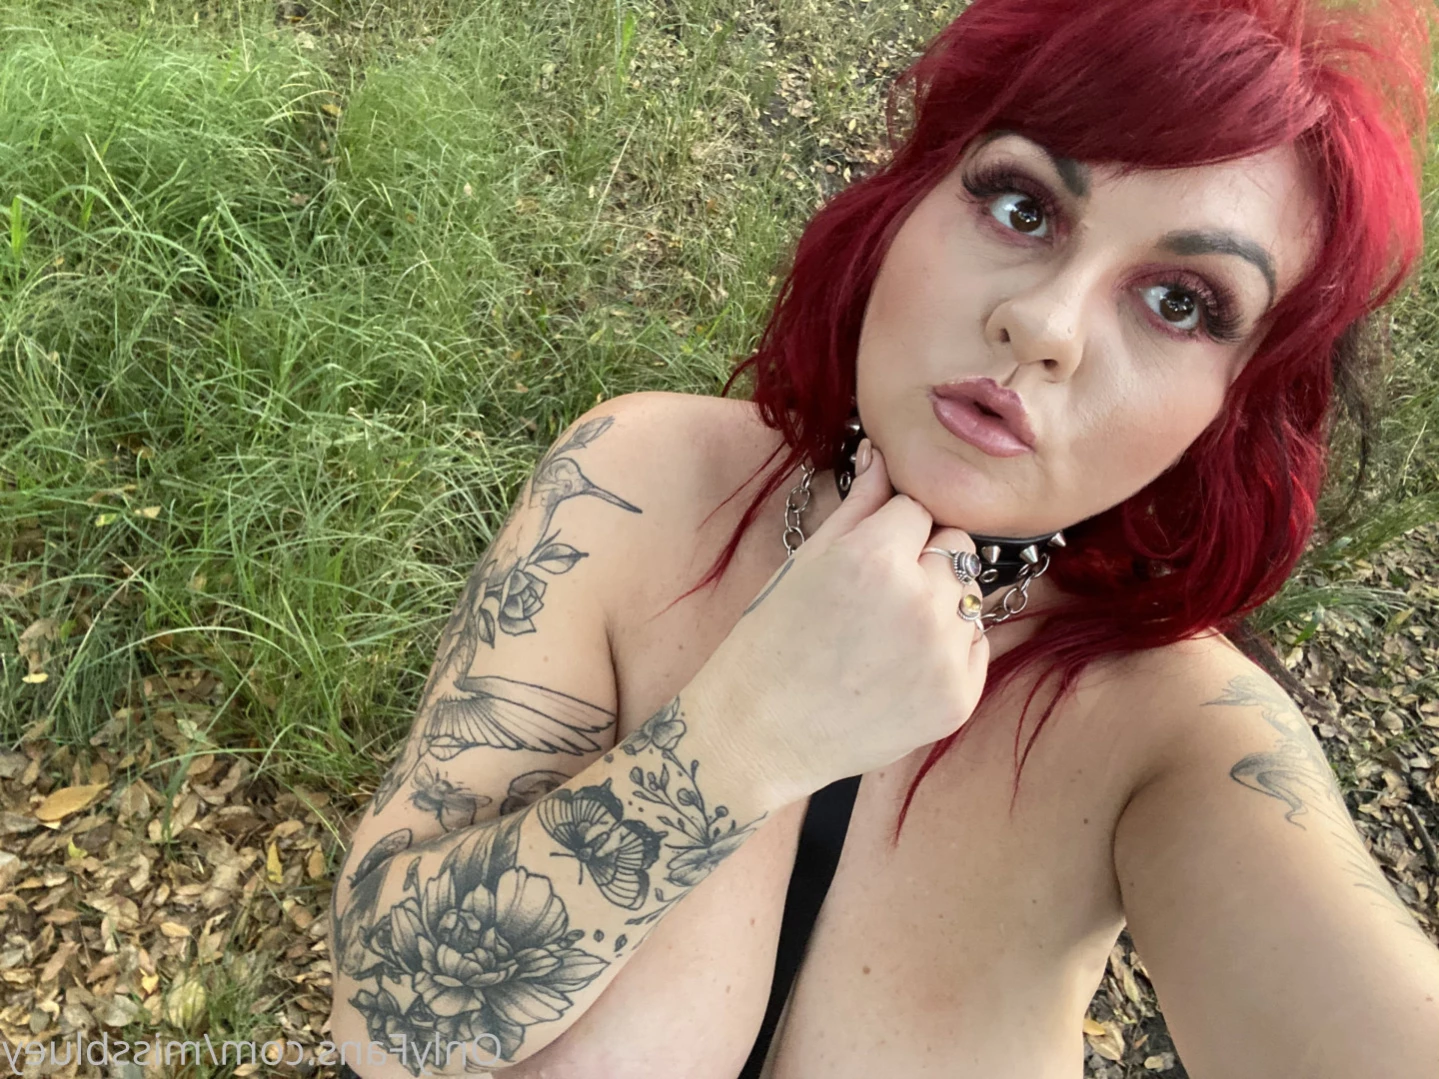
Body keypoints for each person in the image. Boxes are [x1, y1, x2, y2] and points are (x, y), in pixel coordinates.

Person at [323, 0, 1439, 1075]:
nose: (1043, 324)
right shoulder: (632, 481)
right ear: (907, 201)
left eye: (1179, 302)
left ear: (1231, 406)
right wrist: (738, 737)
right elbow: (384, 1022)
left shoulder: (1175, 735)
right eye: (1021, 207)